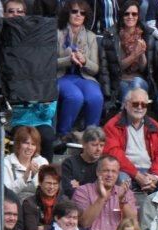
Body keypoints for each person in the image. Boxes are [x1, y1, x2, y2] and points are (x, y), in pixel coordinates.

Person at [103, 88, 158, 194]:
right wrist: (137, 175)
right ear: (126, 105)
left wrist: (155, 176)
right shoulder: (113, 125)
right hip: (124, 170)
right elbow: (114, 154)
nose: (140, 107)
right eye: (135, 104)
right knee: (121, 179)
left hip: (150, 171)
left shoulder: (154, 125)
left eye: (143, 104)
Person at [56, 1, 103, 141]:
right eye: (74, 11)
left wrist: (84, 61)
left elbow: (95, 69)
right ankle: (63, 135)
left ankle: (92, 138)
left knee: (95, 97)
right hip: (61, 76)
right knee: (75, 97)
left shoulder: (91, 36)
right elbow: (48, 63)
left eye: (82, 13)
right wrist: (68, 59)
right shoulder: (56, 33)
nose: (78, 15)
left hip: (84, 77)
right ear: (67, 13)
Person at [72, 155, 140, 230]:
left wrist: (122, 201)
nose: (110, 175)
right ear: (97, 172)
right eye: (106, 170)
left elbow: (133, 221)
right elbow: (85, 222)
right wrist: (101, 198)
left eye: (114, 171)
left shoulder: (125, 192)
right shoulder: (83, 191)